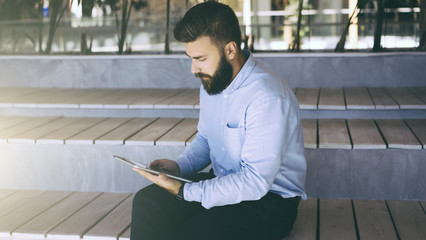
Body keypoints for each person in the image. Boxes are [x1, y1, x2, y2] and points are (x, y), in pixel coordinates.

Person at [131, 2, 307, 240]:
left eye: (201, 58)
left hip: (269, 202)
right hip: (223, 181)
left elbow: (255, 182)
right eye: (190, 58)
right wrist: (180, 167)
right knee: (147, 202)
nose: (194, 68)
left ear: (230, 50)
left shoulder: (268, 98)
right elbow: (206, 137)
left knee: (191, 233)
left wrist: (185, 191)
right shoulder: (212, 81)